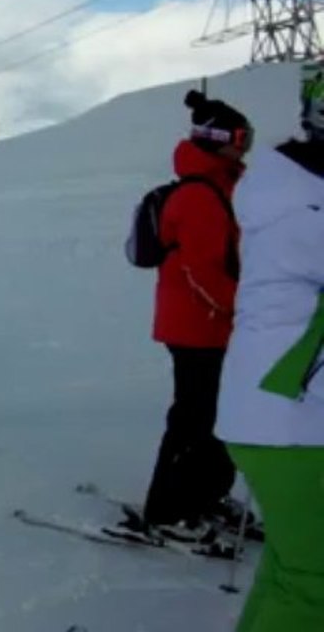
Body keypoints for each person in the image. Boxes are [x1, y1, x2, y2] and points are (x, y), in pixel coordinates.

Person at [215, 63, 324, 632]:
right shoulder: (308, 209)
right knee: (315, 583)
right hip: (295, 419)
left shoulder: (294, 194)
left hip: (277, 413)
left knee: (292, 568)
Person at [119, 90, 251, 542]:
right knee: (194, 417)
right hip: (197, 326)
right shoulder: (199, 195)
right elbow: (203, 270)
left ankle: (206, 495)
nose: (245, 146)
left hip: (216, 324)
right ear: (216, 139)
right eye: (239, 137)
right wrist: (241, 309)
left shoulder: (223, 186)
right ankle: (169, 509)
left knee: (221, 414)